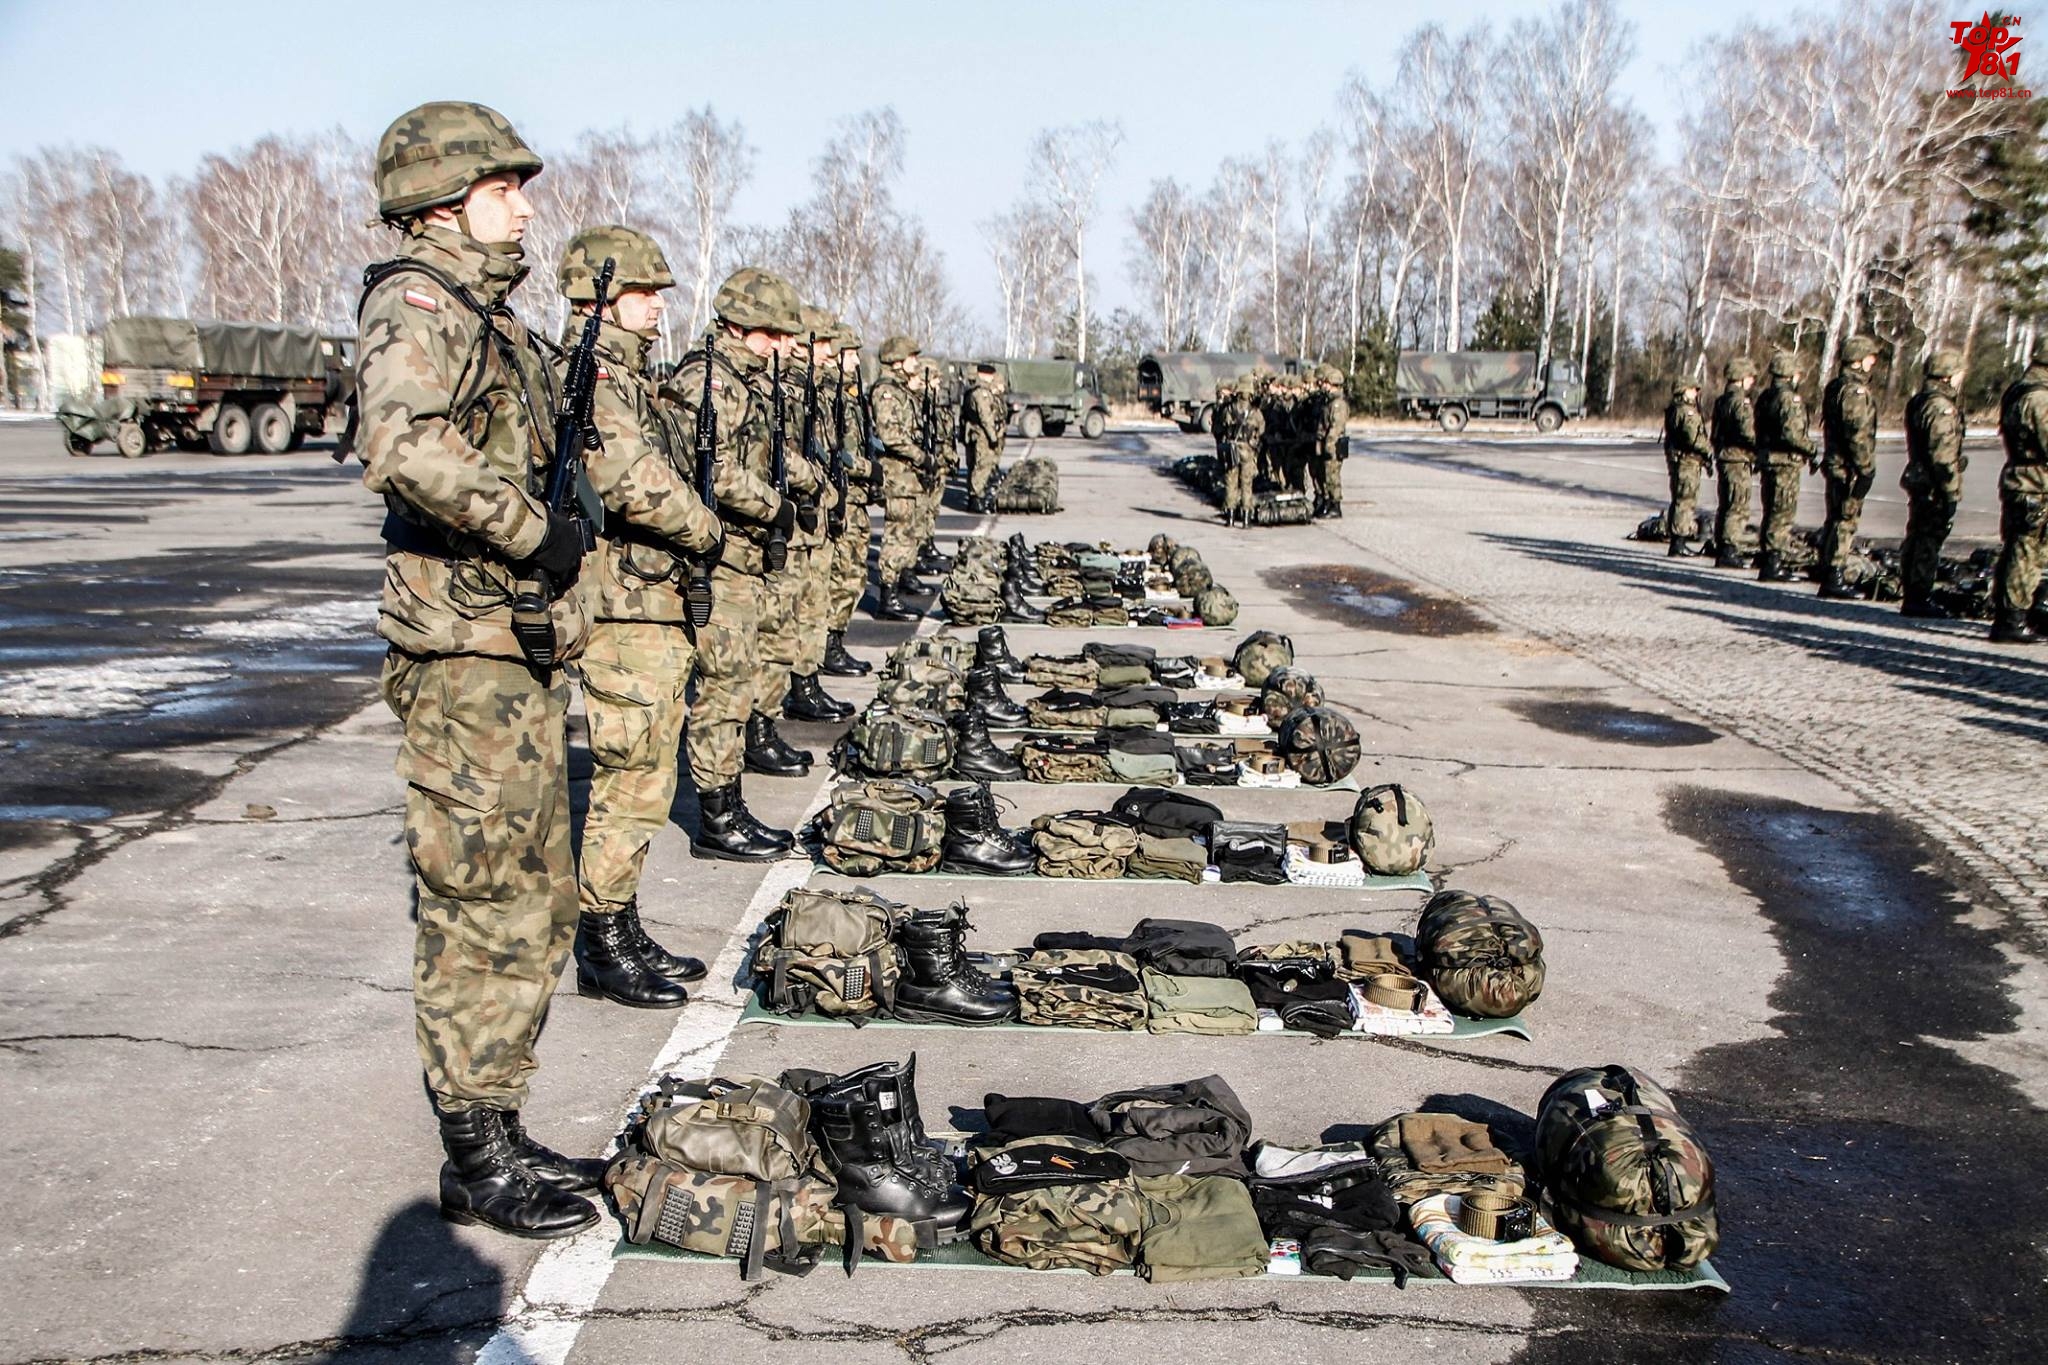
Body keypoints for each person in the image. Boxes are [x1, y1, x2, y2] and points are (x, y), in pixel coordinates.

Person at [357, 100, 599, 1238]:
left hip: (505, 649)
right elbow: (401, 445)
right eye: (507, 188)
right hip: (461, 658)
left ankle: (494, 1122)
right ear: (445, 200)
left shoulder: (485, 317)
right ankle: (473, 1149)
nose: (526, 206)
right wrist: (525, 528)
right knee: (479, 905)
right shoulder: (417, 303)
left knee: (532, 900)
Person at [549, 226, 721, 1012]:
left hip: (645, 600)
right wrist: (705, 525)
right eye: (645, 293)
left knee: (647, 778)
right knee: (632, 781)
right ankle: (602, 941)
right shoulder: (594, 379)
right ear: (600, 298)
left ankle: (620, 922)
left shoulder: (627, 377)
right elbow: (631, 482)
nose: (658, 307)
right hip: (621, 606)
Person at [661, 268, 805, 858]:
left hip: (737, 554)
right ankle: (717, 816)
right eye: (775, 334)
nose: (783, 347)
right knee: (724, 685)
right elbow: (711, 469)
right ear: (744, 327)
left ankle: (727, 801)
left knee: (738, 678)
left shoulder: (740, 381)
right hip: (713, 557)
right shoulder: (710, 381)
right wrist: (775, 505)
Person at [777, 308, 853, 724]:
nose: (832, 352)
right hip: (794, 520)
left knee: (813, 604)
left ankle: (807, 681)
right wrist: (815, 481)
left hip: (815, 519)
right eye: (823, 343)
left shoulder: (814, 390)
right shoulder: (786, 389)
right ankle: (796, 687)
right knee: (792, 611)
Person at [820, 319, 875, 674]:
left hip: (851, 496)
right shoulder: (828, 395)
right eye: (850, 354)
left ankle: (833, 641)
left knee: (852, 574)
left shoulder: (849, 395)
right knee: (841, 576)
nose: (855, 361)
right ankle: (828, 645)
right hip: (839, 496)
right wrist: (869, 470)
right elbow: (835, 452)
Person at [1899, 349, 1967, 619]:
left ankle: (1914, 593)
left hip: (1920, 479)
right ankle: (1919, 595)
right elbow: (1942, 454)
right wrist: (1950, 490)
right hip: (1933, 483)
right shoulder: (1940, 407)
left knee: (1917, 536)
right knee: (1927, 539)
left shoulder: (1920, 401)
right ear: (1949, 375)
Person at [868, 335, 933, 620]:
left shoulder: (900, 389)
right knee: (897, 534)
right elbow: (890, 434)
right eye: (911, 357)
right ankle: (888, 596)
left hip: (909, 476)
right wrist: (919, 455)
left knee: (909, 531)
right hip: (897, 475)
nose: (915, 363)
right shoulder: (886, 391)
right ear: (897, 361)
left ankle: (902, 579)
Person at [1989, 336, 2048, 643]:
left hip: (2021, 478)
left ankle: (2015, 612)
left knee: (2019, 548)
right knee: (2026, 550)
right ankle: (2012, 618)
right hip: (2036, 482)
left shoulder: (2018, 390)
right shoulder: (2040, 398)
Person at [1818, 337, 1882, 597]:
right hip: (1848, 466)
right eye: (1869, 357)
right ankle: (1834, 575)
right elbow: (1856, 433)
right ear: (1858, 360)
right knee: (1845, 520)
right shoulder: (1854, 391)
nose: (1872, 361)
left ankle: (1827, 570)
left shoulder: (1836, 386)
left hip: (1837, 463)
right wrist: (1865, 467)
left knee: (1835, 517)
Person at [1754, 349, 1816, 583]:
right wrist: (1811, 448)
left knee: (1770, 511)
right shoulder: (1788, 398)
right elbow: (1792, 433)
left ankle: (1769, 557)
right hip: (1784, 462)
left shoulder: (1765, 397)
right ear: (1790, 374)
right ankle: (1773, 563)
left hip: (1769, 460)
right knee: (1782, 513)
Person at [1710, 357, 1759, 568]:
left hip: (1725, 456)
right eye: (1749, 377)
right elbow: (1748, 431)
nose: (1752, 381)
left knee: (1726, 504)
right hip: (1738, 458)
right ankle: (1729, 549)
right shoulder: (1740, 401)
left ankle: (1722, 545)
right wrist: (1761, 445)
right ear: (1740, 378)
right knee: (1737, 506)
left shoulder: (1722, 400)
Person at [1662, 378, 1713, 556]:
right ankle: (1679, 542)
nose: (1696, 393)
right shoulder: (1686, 411)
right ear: (1684, 391)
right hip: (1686, 462)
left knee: (1679, 499)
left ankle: (1677, 539)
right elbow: (1693, 438)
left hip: (1679, 460)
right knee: (1685, 501)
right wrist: (1708, 450)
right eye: (1693, 389)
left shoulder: (1675, 409)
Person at [961, 363, 1008, 513]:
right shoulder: (981, 393)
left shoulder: (976, 391)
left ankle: (977, 497)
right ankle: (976, 499)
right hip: (982, 435)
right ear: (986, 375)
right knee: (982, 465)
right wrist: (993, 437)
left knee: (979, 466)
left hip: (979, 433)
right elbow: (986, 417)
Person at [1312, 363, 1351, 518]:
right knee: (1327, 475)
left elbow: (1336, 426)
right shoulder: (1330, 402)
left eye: (1328, 384)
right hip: (1327, 444)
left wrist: (1329, 444)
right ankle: (1328, 503)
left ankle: (1336, 505)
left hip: (1334, 445)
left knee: (1333, 475)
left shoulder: (1338, 404)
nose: (1325, 387)